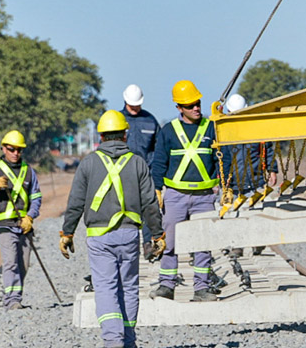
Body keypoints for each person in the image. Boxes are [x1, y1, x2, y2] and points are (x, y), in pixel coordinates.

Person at [60, 110, 165, 348]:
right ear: (125, 136)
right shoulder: (137, 162)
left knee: (106, 288)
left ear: (101, 137)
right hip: (129, 235)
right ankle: (128, 341)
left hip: (99, 237)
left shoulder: (88, 163)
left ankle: (112, 341)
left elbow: (75, 202)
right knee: (129, 287)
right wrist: (157, 234)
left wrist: (67, 233)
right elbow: (150, 203)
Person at [149, 79, 221, 302]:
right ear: (179, 108)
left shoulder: (211, 127)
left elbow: (221, 159)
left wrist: (225, 186)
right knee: (169, 242)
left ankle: (201, 288)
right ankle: (167, 286)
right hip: (175, 196)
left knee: (203, 243)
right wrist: (157, 190)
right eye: (190, 105)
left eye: (198, 103)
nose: (196, 108)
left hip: (205, 196)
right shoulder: (169, 131)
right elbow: (159, 161)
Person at [0, 130, 42, 310]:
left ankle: (16, 296)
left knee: (24, 264)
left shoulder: (29, 172)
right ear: (4, 148)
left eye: (19, 150)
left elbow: (36, 197)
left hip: (24, 225)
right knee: (11, 261)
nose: (15, 153)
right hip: (3, 226)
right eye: (11, 149)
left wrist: (30, 216)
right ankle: (11, 300)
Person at [220, 93, 278, 256]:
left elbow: (268, 149)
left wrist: (272, 169)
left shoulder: (256, 128)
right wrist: (222, 183)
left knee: (256, 213)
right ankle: (236, 246)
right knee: (234, 214)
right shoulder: (224, 130)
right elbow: (221, 158)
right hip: (234, 182)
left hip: (255, 179)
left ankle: (257, 242)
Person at [120, 84, 161, 260]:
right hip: (120, 174)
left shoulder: (150, 120)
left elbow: (158, 147)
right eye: (132, 105)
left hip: (145, 172)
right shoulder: (117, 120)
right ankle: (125, 247)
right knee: (122, 210)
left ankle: (146, 244)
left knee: (148, 209)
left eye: (137, 104)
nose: (135, 108)